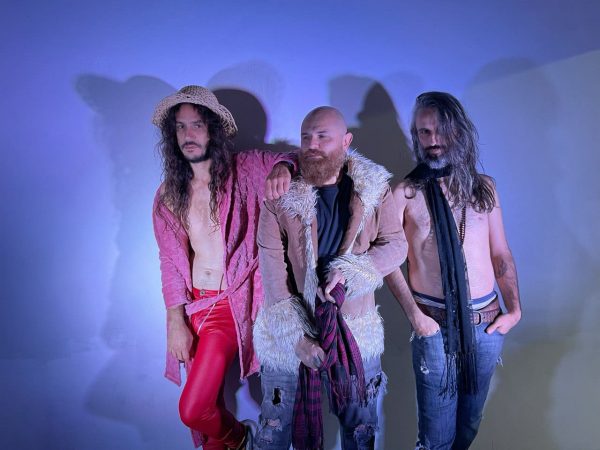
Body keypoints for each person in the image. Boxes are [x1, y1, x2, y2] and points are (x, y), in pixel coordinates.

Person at [151, 85, 295, 449]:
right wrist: (175, 321)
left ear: (213, 130)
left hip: (228, 305)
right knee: (209, 410)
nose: (188, 135)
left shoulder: (245, 168)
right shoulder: (169, 192)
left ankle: (243, 438)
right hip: (192, 308)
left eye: (197, 125)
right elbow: (170, 260)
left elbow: (294, 158)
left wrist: (282, 167)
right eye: (180, 127)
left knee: (193, 409)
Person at [253, 106, 404, 449]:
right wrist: (298, 339)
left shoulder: (373, 189)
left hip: (355, 332)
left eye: (323, 137)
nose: (312, 145)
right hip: (290, 331)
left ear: (346, 141)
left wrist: (349, 273)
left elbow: (396, 245)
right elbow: (273, 276)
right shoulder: (279, 196)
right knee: (273, 434)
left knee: (360, 432)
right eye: (306, 136)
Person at [385, 92, 522, 450]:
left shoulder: (484, 188)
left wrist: (514, 310)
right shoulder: (405, 193)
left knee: (468, 428)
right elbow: (386, 260)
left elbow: (500, 253)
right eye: (424, 132)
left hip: (487, 325)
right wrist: (415, 317)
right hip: (434, 327)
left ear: (457, 131)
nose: (432, 140)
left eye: (439, 131)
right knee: (435, 441)